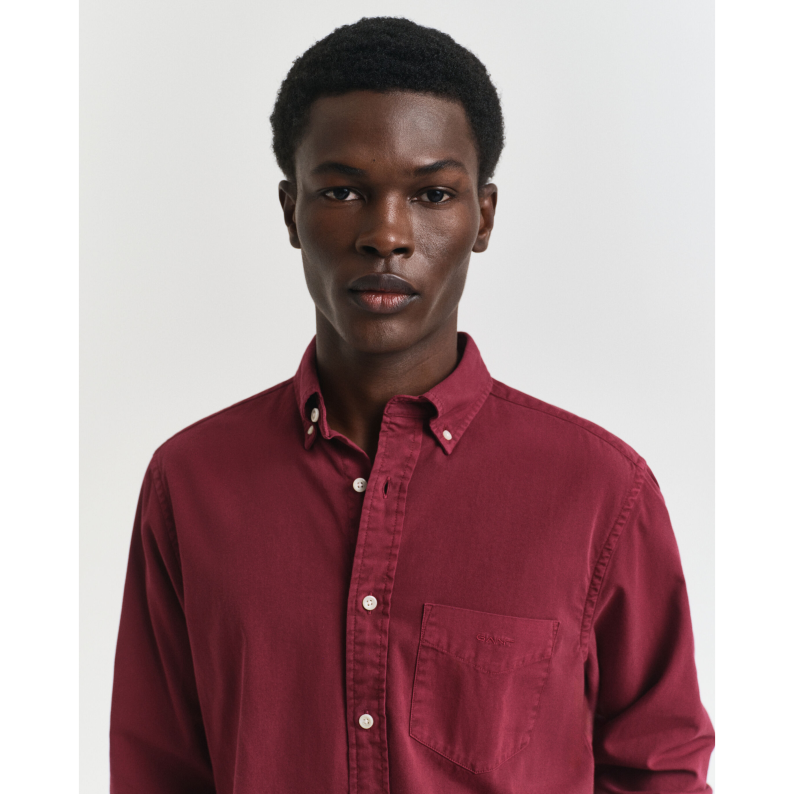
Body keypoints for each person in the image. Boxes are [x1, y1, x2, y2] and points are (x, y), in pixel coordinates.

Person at [109, 16, 714, 794]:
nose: (386, 234)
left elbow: (658, 769)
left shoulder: (600, 491)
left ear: (482, 216)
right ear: (291, 211)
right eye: (343, 191)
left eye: (431, 193)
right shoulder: (191, 483)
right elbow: (157, 770)